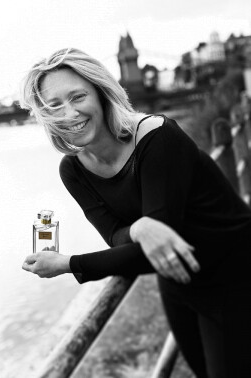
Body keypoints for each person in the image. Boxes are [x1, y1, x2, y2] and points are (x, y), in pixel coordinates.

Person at [19, 48, 251, 378]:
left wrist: (68, 264)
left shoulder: (157, 137)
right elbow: (117, 237)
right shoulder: (73, 170)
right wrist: (141, 228)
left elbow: (150, 250)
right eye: (54, 105)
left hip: (233, 273)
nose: (69, 113)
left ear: (101, 93)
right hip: (178, 279)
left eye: (78, 96)